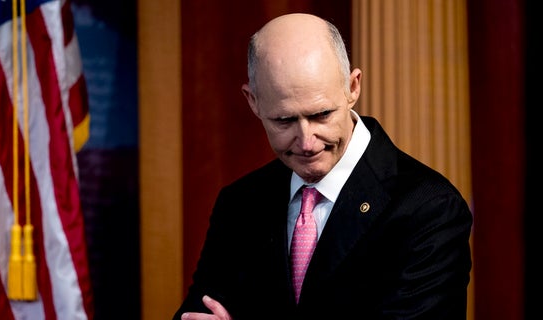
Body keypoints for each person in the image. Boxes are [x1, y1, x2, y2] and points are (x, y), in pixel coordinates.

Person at [174, 13, 473, 320]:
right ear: (253, 102)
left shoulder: (430, 209)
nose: (306, 142)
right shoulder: (239, 204)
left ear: (353, 87)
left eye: (321, 115)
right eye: (284, 120)